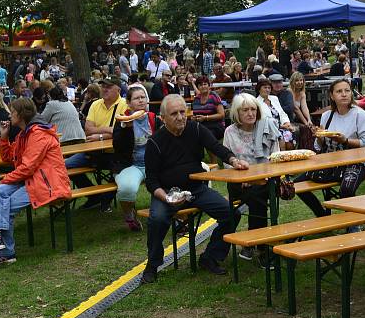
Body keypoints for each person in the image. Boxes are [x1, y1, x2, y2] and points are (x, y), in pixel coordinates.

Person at [140, 95, 249, 283]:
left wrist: (233, 160)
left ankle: (210, 256)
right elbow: (151, 181)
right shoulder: (155, 142)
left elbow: (216, 147)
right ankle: (152, 265)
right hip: (166, 193)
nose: (180, 117)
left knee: (231, 213)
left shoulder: (196, 129)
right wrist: (166, 198)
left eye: (183, 112)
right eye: (174, 113)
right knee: (157, 219)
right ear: (163, 118)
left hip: (196, 189)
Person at [0, 98, 71, 265]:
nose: (9, 116)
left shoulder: (38, 134)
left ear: (22, 115)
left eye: (12, 113)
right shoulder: (24, 134)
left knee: (5, 203)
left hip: (48, 184)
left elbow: (27, 167)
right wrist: (3, 137)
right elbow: (10, 157)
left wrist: (5, 180)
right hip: (32, 180)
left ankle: (6, 252)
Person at [294, 79, 365, 217]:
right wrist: (319, 138)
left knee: (346, 189)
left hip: (356, 162)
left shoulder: (360, 115)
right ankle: (321, 215)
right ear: (331, 96)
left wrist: (346, 140)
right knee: (296, 185)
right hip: (330, 162)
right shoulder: (327, 116)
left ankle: (352, 223)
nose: (344, 94)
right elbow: (319, 146)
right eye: (339, 91)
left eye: (347, 91)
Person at [222, 93, 279, 267]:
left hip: (265, 179)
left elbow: (275, 158)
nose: (250, 113)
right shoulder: (230, 132)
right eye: (245, 110)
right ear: (236, 113)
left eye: (253, 109)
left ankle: (254, 243)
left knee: (257, 194)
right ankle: (262, 248)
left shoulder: (267, 127)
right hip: (239, 182)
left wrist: (259, 178)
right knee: (257, 195)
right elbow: (226, 164)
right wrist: (242, 178)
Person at [65, 77, 126, 210]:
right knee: (65, 166)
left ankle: (105, 199)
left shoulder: (124, 104)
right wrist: (108, 131)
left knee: (121, 170)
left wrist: (99, 135)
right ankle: (94, 196)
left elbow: (121, 132)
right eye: (103, 86)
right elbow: (87, 129)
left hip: (114, 154)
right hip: (92, 153)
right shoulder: (95, 104)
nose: (104, 89)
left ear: (118, 90)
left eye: (109, 87)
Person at [112, 87, 162, 231]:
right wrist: (126, 129)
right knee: (127, 188)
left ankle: (173, 214)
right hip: (131, 165)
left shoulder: (154, 118)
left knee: (175, 178)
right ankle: (129, 216)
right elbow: (117, 147)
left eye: (143, 97)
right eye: (136, 98)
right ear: (128, 103)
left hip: (154, 163)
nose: (141, 100)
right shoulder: (122, 120)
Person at [256, 79, 295, 149]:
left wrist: (287, 123)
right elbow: (264, 120)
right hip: (269, 129)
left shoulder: (274, 98)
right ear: (259, 89)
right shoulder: (256, 102)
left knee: (289, 137)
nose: (267, 90)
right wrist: (282, 126)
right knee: (282, 139)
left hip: (282, 126)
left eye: (269, 88)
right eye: (265, 87)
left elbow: (282, 113)